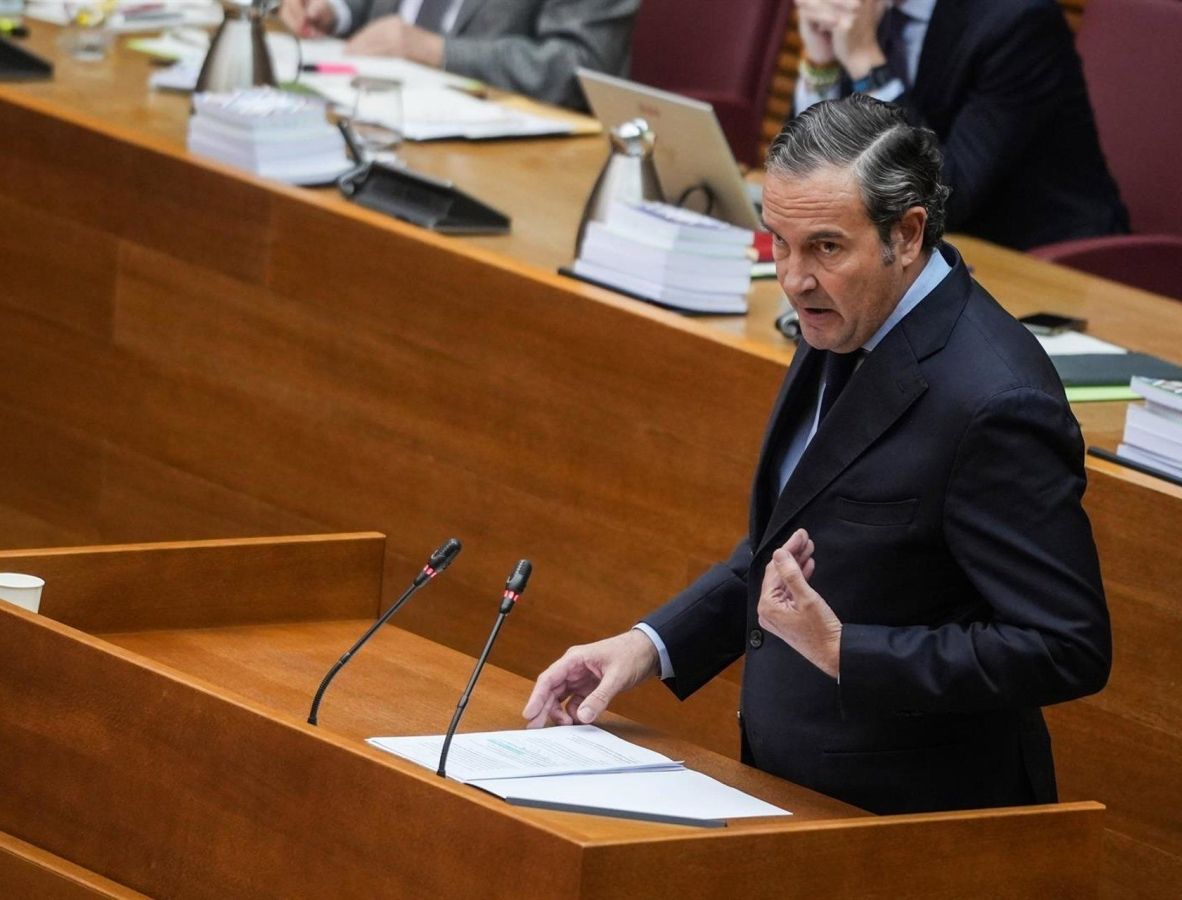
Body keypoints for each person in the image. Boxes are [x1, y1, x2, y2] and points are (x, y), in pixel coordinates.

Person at [523, 95, 1112, 815]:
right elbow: (789, 548)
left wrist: (843, 651)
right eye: (779, 241)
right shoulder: (841, 315)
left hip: (916, 823)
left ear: (907, 234)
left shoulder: (996, 400)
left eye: (826, 247)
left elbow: (1065, 645)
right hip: (797, 793)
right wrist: (649, 645)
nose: (793, 278)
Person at [792, 0, 1128, 250]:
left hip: (1044, 262)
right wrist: (822, 65)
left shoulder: (1018, 20)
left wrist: (867, 65)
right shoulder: (866, 10)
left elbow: (946, 199)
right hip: (919, 252)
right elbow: (802, 170)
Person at [279, 0, 640, 110]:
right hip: (359, 104)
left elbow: (581, 67)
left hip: (499, 155)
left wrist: (437, 51)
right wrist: (333, 9)